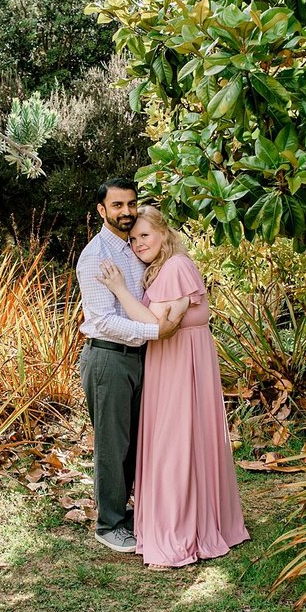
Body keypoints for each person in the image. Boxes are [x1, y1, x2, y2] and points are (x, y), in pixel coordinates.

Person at [97, 205, 250, 570]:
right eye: (133, 239)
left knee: (175, 445)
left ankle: (179, 530)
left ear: (164, 233)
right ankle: (189, 521)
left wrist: (118, 288)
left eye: (145, 236)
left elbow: (154, 323)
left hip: (180, 361)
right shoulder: (165, 268)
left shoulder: (177, 266)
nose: (137, 244)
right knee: (184, 442)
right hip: (175, 361)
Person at [75, 179, 188, 553]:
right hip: (108, 356)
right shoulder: (96, 256)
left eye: (131, 204)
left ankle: (136, 515)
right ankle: (109, 523)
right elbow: (103, 320)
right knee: (113, 444)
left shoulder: (132, 248)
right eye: (117, 205)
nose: (126, 211)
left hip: (140, 358)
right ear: (101, 210)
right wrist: (154, 331)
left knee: (136, 441)